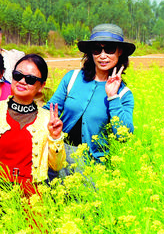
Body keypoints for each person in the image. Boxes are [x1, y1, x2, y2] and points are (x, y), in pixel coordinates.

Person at [0, 54, 65, 206]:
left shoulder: (47, 120)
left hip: (31, 198)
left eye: (30, 79)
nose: (22, 81)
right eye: (18, 76)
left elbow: (57, 166)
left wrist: (55, 138)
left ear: (41, 86)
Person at [45, 24, 135, 179]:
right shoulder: (72, 78)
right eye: (97, 49)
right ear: (90, 53)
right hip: (58, 159)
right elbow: (49, 110)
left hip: (93, 169)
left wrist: (112, 96)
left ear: (120, 52)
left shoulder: (124, 94)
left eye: (110, 49)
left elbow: (124, 136)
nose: (103, 55)